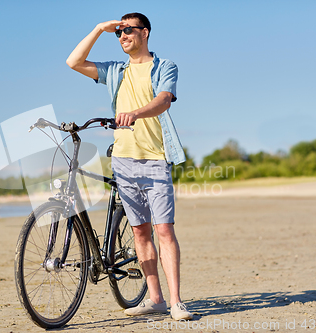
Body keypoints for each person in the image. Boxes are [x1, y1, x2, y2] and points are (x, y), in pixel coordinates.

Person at [66, 13, 192, 321]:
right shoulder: (114, 71)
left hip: (156, 158)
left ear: (145, 33)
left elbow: (163, 100)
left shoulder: (164, 67)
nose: (122, 36)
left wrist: (134, 113)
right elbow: (73, 62)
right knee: (140, 232)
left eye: (128, 31)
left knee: (163, 230)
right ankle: (156, 298)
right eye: (118, 32)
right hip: (123, 159)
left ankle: (176, 302)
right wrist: (98, 28)